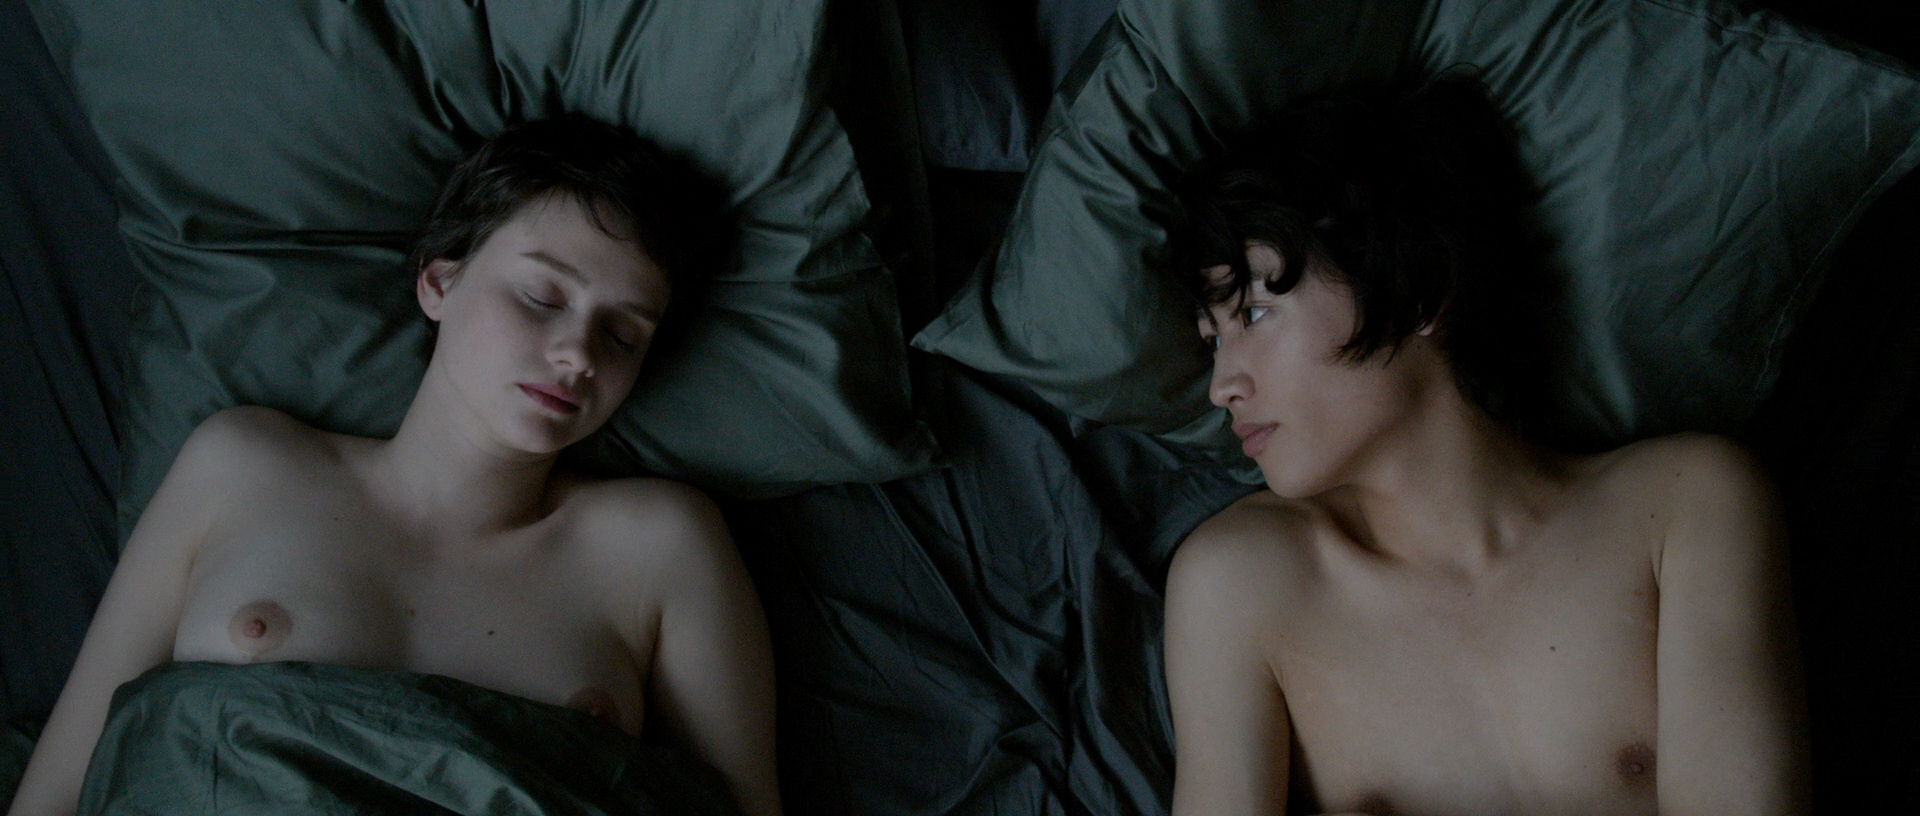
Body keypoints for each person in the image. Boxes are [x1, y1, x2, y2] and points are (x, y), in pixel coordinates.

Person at [10, 115, 781, 816]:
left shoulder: (659, 545)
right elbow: (61, 784)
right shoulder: (242, 464)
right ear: (439, 282)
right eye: (543, 297)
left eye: (621, 335)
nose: (578, 354)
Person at [1160, 75, 1808, 816]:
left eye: (1253, 313)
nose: (1223, 385)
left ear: (1417, 291)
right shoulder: (1239, 584)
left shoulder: (1684, 504)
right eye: (1213, 340)